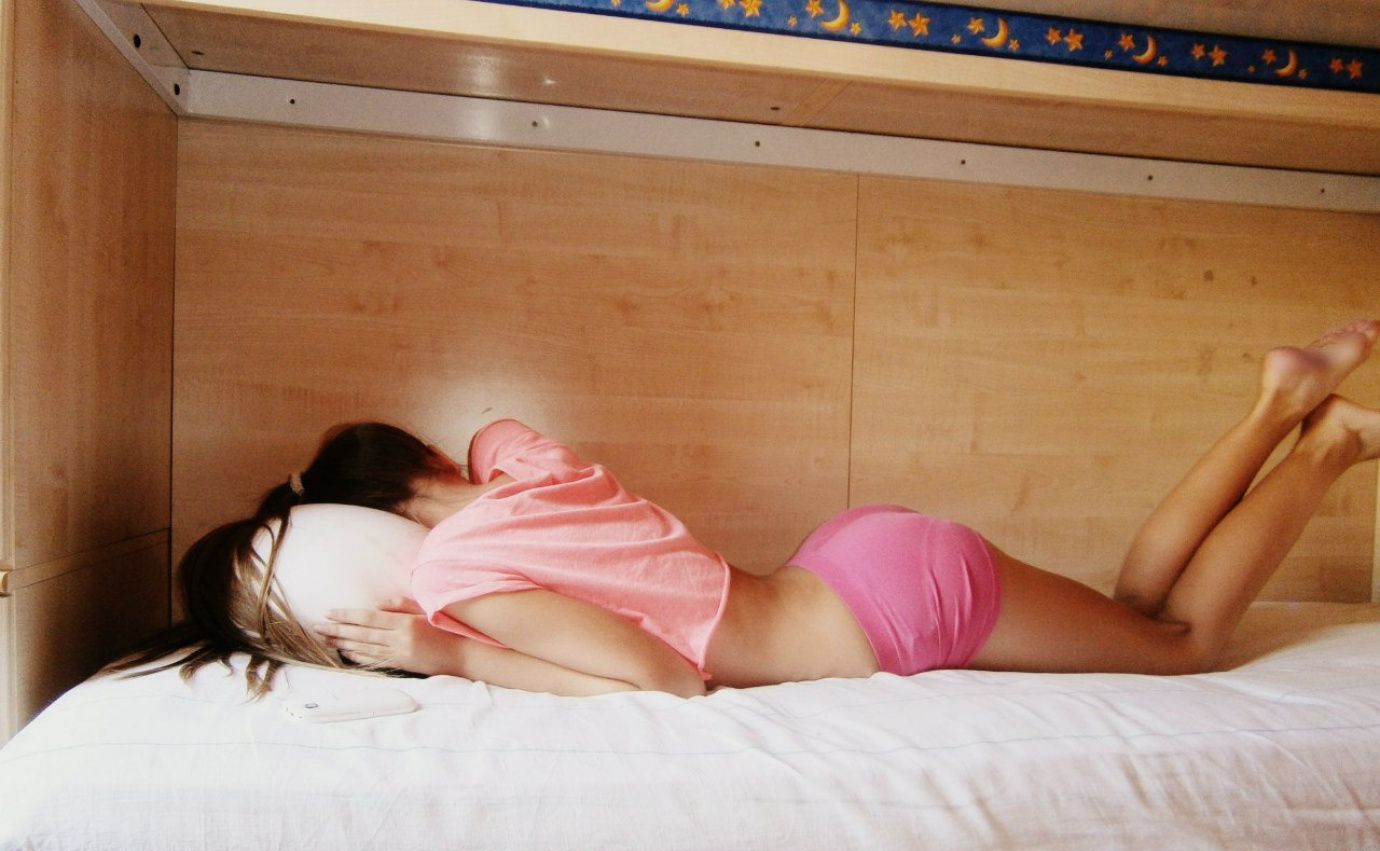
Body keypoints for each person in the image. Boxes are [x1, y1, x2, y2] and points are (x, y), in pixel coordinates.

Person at [125, 320, 1380, 698]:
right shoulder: (518, 459)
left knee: (1179, 646)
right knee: (1134, 610)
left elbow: (664, 685)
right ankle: (1276, 404)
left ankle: (1326, 443)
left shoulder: (459, 581)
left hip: (876, 609)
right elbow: (488, 451)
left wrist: (448, 652)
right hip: (858, 561)